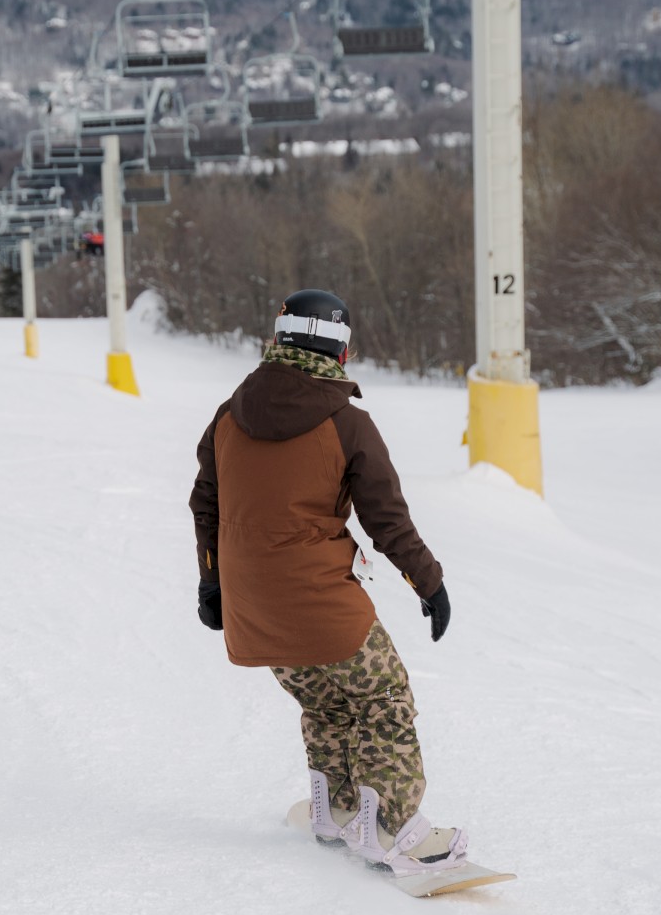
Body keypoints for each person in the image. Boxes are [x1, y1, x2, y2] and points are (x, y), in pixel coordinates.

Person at [189, 288, 465, 884]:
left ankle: (337, 809)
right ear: (341, 353)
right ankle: (391, 827)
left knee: (325, 701)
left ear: (279, 341)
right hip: (318, 602)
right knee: (382, 696)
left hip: (250, 608)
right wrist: (430, 582)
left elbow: (205, 506)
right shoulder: (346, 423)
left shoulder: (228, 415)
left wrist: (213, 585)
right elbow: (386, 519)